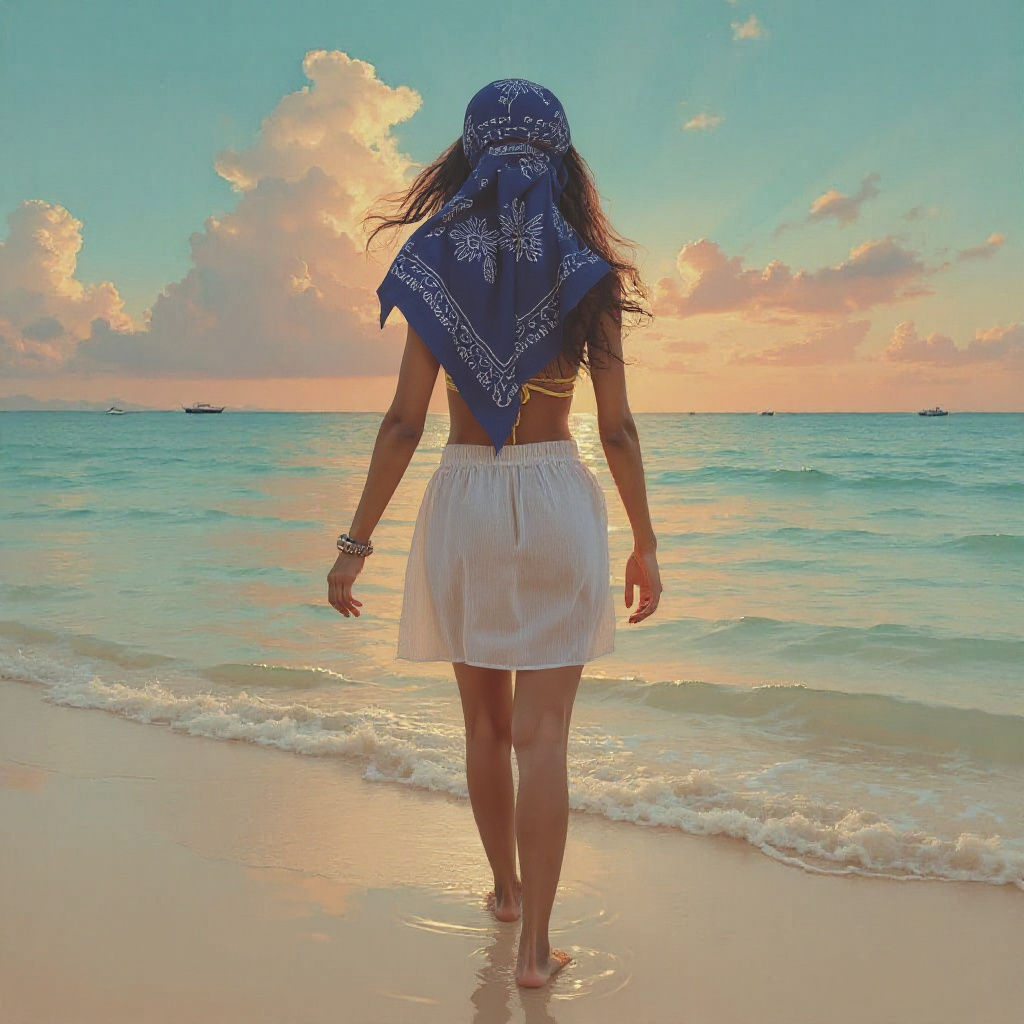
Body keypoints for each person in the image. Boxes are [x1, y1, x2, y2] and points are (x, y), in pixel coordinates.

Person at [327, 78, 663, 989]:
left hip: (465, 498)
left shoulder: (437, 262)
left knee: (486, 726)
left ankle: (506, 894)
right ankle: (533, 950)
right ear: (562, 161)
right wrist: (645, 540)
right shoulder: (588, 275)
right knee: (545, 735)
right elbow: (620, 428)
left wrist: (353, 543)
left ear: (469, 155)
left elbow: (401, 424)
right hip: (557, 496)